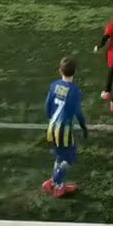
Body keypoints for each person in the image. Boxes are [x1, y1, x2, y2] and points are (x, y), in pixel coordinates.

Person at [43, 57, 88, 198]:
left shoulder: (54, 85)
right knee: (70, 157)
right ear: (75, 72)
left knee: (59, 155)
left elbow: (47, 105)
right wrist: (83, 126)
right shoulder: (75, 91)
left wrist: (51, 121)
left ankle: (56, 184)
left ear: (59, 71)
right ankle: (57, 182)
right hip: (64, 129)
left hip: (52, 126)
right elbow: (78, 113)